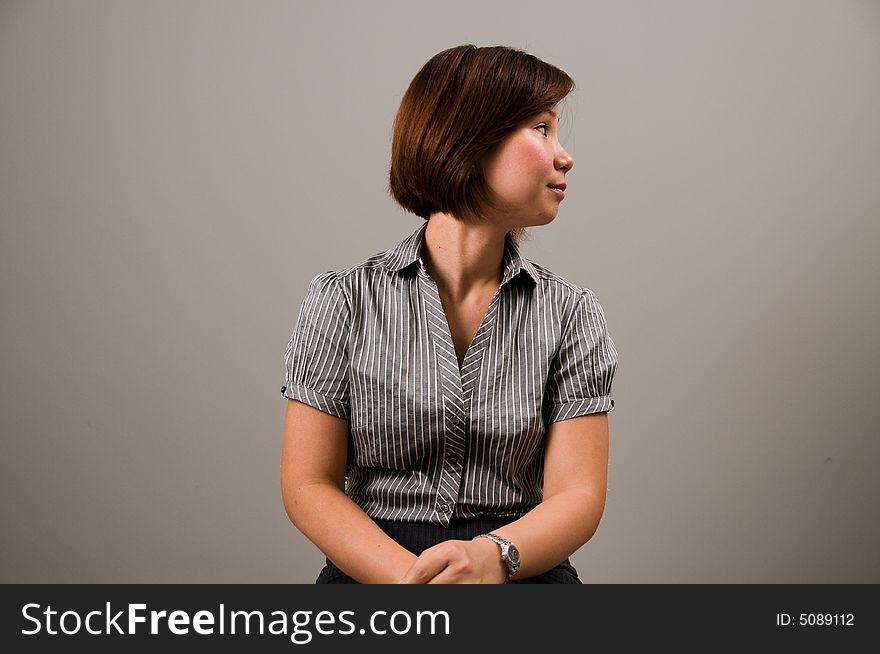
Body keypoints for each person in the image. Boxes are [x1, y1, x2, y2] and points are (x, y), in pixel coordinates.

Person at [279, 44, 618, 584]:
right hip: (375, 574)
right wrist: (412, 581)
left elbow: (579, 495)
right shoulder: (343, 299)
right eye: (541, 128)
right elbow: (308, 484)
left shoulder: (571, 313)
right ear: (470, 138)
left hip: (519, 570)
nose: (565, 155)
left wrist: (493, 558)